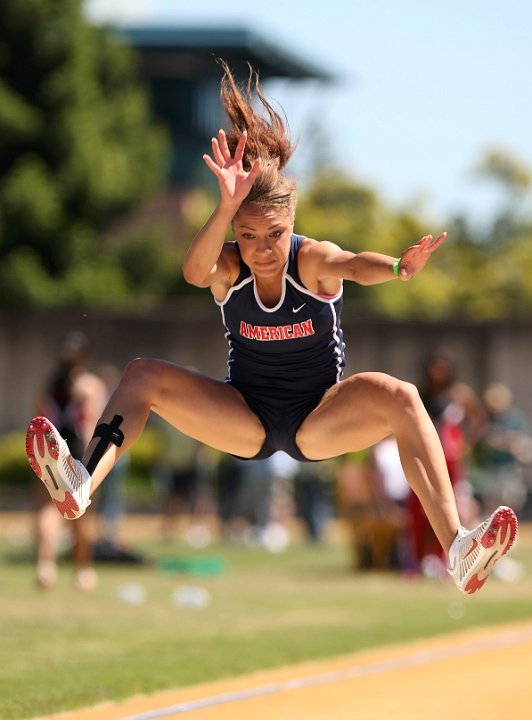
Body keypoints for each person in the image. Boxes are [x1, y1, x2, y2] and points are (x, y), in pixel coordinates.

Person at [25, 60, 517, 595]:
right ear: (236, 229)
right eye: (249, 233)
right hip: (247, 420)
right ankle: (80, 485)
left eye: (275, 234)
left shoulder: (312, 263)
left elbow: (355, 264)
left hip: (317, 421)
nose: (262, 249)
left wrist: (399, 268)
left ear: (293, 226)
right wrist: (225, 206)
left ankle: (459, 549)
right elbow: (193, 272)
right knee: (142, 374)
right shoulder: (230, 266)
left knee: (400, 395)